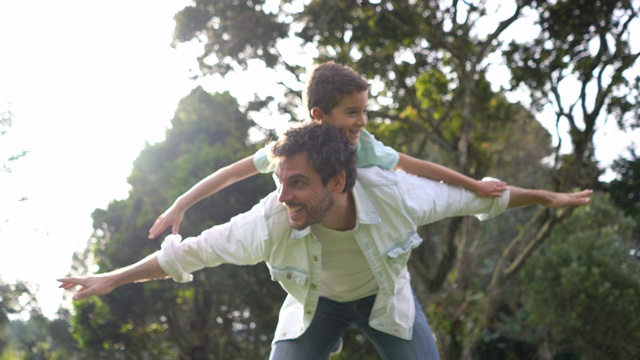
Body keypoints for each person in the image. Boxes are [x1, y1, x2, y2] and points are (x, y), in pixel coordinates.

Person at [59, 123, 592, 359]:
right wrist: (113, 277)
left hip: (386, 304)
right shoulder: (267, 220)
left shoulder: (399, 197)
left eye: (298, 184)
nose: (284, 196)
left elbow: (485, 199)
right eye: (279, 181)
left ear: (336, 182)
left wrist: (547, 197)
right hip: (316, 310)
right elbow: (188, 251)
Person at [147, 61, 507, 239]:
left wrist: (475, 186)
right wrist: (182, 203)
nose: (362, 121)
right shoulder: (292, 147)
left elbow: (416, 166)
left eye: (364, 111)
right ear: (319, 116)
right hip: (300, 227)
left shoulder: (363, 145)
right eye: (353, 112)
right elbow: (232, 172)